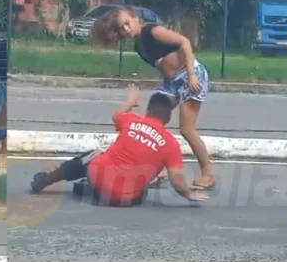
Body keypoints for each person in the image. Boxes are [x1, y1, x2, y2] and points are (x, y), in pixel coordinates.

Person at [90, 7, 215, 191]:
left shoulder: (152, 31)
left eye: (127, 23)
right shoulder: (138, 46)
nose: (126, 29)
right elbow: (164, 65)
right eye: (121, 29)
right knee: (151, 123)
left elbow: (185, 43)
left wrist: (190, 74)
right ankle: (159, 170)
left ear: (135, 17)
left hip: (190, 76)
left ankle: (208, 173)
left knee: (187, 129)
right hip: (172, 82)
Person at [30, 86, 209, 205]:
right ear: (168, 117)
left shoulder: (131, 120)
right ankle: (94, 191)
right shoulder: (171, 144)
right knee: (144, 183)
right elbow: (177, 179)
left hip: (98, 177)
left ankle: (46, 181)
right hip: (126, 199)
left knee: (94, 155)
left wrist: (130, 102)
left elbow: (116, 115)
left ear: (147, 110)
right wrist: (189, 195)